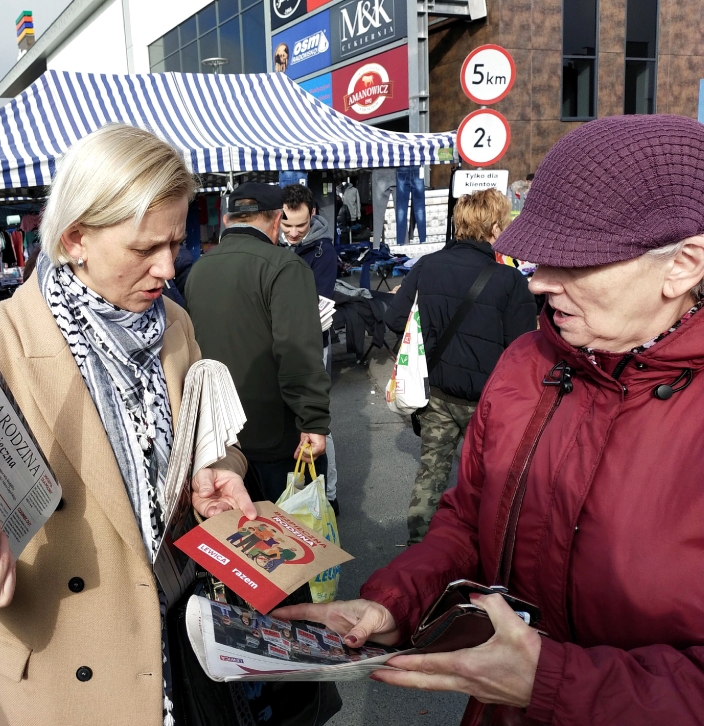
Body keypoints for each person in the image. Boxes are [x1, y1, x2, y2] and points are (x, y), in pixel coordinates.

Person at [274, 114, 704, 725]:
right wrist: (397, 602)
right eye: (537, 258)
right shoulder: (528, 362)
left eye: (572, 262)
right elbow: (469, 524)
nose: (538, 283)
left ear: (683, 264)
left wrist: (552, 681)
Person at [0, 124, 254, 726]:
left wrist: (219, 466)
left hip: (187, 648)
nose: (168, 268)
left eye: (176, 242)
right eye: (145, 248)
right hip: (68, 675)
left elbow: (210, 435)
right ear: (75, 238)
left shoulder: (174, 324)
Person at [385, 188, 536, 545]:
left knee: (431, 472)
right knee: (488, 479)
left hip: (435, 392)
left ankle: (419, 548)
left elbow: (394, 319)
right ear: (495, 227)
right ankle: (481, 549)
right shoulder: (509, 279)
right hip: (486, 403)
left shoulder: (427, 265)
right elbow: (523, 347)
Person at [185, 182, 331, 502]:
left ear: (227, 221)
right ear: (277, 220)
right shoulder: (285, 266)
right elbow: (298, 355)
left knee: (239, 527)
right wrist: (314, 420)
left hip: (220, 435)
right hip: (275, 434)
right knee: (289, 526)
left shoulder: (198, 269)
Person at [280, 183, 341, 513]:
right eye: (286, 224)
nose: (292, 233)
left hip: (315, 345)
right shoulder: (272, 243)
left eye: (300, 225)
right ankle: (298, 491)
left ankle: (328, 495)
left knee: (316, 419)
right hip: (282, 344)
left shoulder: (323, 251)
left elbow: (319, 303)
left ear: (313, 215)